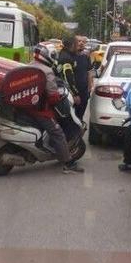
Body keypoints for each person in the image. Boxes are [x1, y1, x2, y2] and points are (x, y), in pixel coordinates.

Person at [28, 45, 84, 174]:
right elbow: (53, 97)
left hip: (27, 107)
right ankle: (68, 164)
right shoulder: (47, 71)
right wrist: (58, 98)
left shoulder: (29, 66)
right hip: (40, 110)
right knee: (58, 133)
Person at [57, 37, 82, 110]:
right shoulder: (67, 58)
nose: (78, 47)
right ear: (72, 45)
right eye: (77, 45)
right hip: (66, 93)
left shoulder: (62, 53)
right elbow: (68, 78)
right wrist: (75, 94)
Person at [72, 36, 93, 120]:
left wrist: (90, 87)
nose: (81, 43)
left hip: (83, 91)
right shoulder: (69, 57)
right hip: (72, 91)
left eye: (83, 42)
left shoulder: (86, 57)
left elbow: (89, 72)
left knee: (80, 115)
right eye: (79, 41)